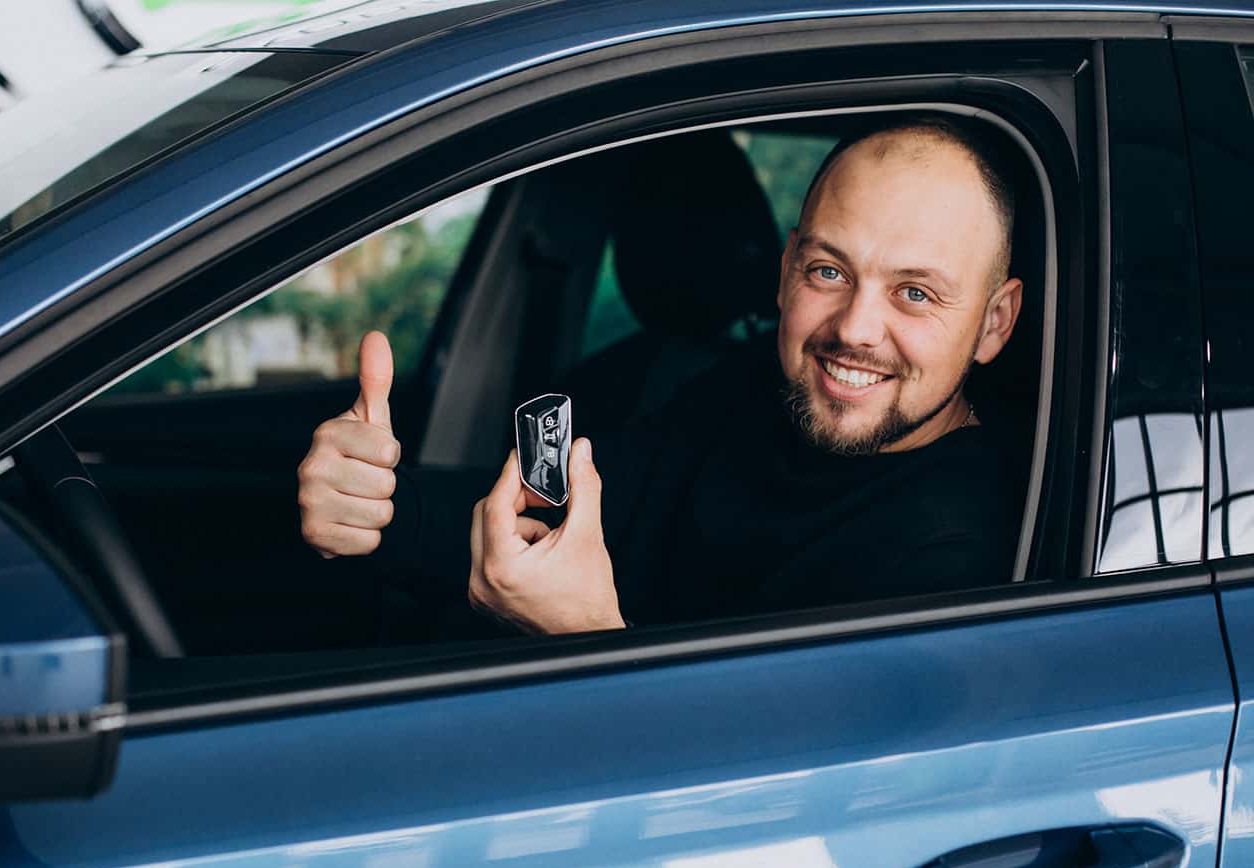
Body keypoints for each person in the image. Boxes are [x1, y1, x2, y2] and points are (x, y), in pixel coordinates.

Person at [295, 114, 1027, 635]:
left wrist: (591, 642)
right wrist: (376, 511)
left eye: (916, 293)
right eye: (829, 271)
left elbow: (785, 809)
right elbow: (554, 511)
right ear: (785, 273)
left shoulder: (961, 558)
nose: (855, 330)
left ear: (994, 322)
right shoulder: (742, 393)